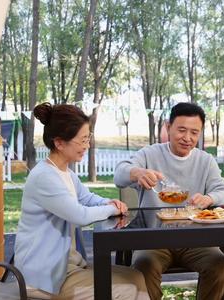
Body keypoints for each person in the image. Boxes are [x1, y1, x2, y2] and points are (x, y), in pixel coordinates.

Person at [14, 103, 149, 300]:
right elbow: (79, 215)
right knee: (127, 289)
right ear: (59, 142)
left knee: (136, 277)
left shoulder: (65, 172)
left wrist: (108, 202)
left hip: (68, 266)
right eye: (82, 140)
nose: (87, 145)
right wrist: (111, 210)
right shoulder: (44, 176)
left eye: (88, 138)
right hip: (44, 276)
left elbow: (87, 198)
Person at [114, 102, 224, 300]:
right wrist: (138, 173)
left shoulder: (205, 160)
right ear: (169, 128)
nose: (187, 138)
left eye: (194, 132)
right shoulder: (149, 154)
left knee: (219, 265)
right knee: (144, 266)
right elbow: (119, 175)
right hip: (153, 240)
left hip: (196, 242)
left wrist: (209, 198)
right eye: (182, 130)